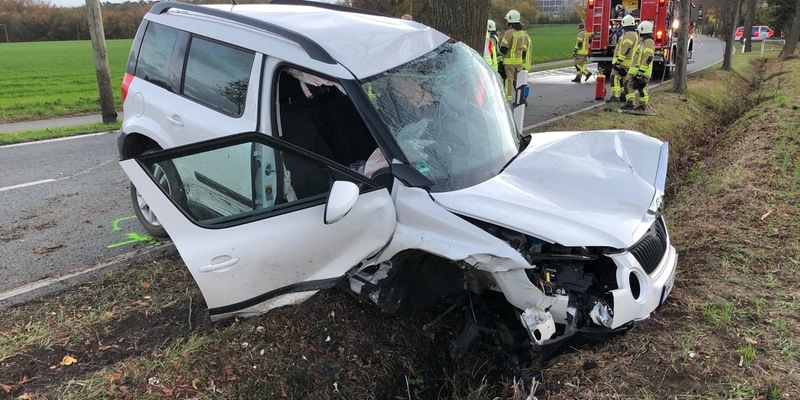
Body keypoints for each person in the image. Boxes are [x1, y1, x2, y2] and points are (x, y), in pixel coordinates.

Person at [621, 21, 655, 111]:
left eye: (639, 31)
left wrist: (641, 73)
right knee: (627, 84)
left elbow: (648, 57)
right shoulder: (642, 42)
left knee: (641, 87)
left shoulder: (649, 42)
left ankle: (642, 105)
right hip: (635, 70)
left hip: (643, 71)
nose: (638, 33)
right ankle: (630, 103)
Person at [499, 10, 532, 102]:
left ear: (510, 21)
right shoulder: (523, 33)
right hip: (519, 62)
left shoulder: (509, 33)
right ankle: (521, 100)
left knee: (509, 82)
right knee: (519, 82)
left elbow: (503, 49)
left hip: (509, 62)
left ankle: (507, 101)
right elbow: (524, 51)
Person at [609, 15, 638, 102]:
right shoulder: (633, 34)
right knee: (623, 80)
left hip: (623, 62)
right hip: (627, 62)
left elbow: (626, 48)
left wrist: (618, 62)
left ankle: (615, 97)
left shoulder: (629, 34)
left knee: (614, 77)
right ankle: (622, 95)